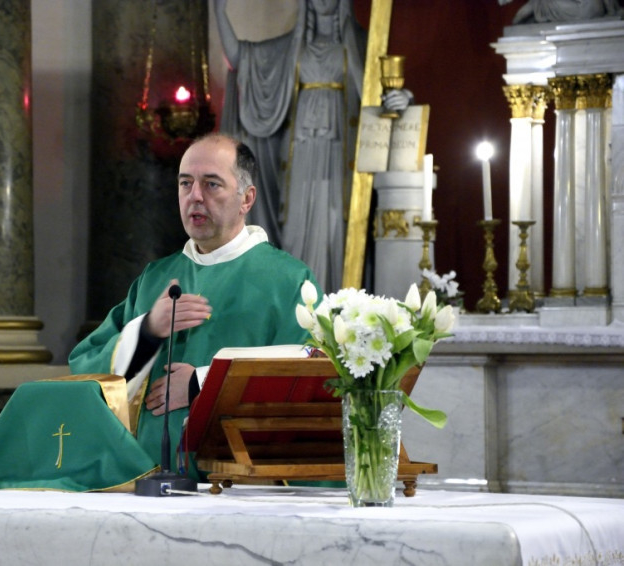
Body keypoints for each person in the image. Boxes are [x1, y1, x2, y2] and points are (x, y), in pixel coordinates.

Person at [69, 133, 321, 473]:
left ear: (246, 199)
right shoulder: (155, 279)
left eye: (211, 184)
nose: (195, 196)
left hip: (238, 479)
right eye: (185, 183)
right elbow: (86, 368)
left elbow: (308, 372)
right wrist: (147, 331)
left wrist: (201, 383)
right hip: (143, 474)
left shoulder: (288, 281)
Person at [214, 0, 411, 292]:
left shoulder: (362, 44)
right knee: (297, 226)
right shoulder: (291, 47)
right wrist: (219, 11)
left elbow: (384, 94)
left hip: (342, 154)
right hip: (300, 154)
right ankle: (298, 302)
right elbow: (242, 58)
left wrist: (401, 98)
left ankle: (340, 302)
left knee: (336, 224)